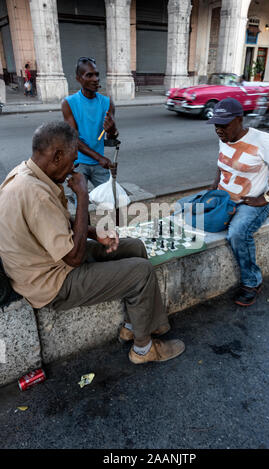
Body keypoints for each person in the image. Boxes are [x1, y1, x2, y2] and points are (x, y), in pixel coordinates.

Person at [0, 121, 185, 364]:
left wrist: (94, 232)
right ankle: (143, 349)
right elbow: (74, 259)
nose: (73, 168)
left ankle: (137, 324)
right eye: (72, 160)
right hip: (50, 283)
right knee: (141, 272)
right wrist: (83, 195)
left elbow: (58, 223)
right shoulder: (34, 192)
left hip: (53, 260)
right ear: (57, 156)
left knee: (134, 247)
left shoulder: (30, 173)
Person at [207, 98, 269, 306]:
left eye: (224, 125)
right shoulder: (225, 137)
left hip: (251, 203)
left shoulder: (263, 140)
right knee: (187, 212)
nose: (219, 130)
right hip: (224, 198)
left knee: (238, 233)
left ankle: (252, 282)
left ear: (239, 119)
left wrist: (265, 198)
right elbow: (223, 165)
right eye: (216, 125)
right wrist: (213, 187)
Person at [61, 57, 117, 190]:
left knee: (111, 201)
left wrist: (112, 130)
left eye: (97, 74)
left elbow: (112, 138)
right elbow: (73, 139)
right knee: (82, 204)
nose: (95, 79)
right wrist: (99, 158)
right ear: (79, 79)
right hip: (78, 163)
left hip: (99, 164)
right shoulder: (69, 103)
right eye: (89, 75)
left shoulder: (107, 103)